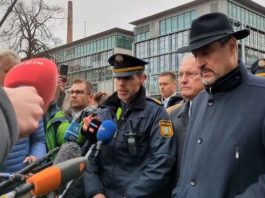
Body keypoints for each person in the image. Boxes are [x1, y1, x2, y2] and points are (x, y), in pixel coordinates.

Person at [172, 12, 265, 198]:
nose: (199, 63)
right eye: (196, 55)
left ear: (232, 46)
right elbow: (188, 171)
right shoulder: (198, 103)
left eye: (206, 52)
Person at [83, 53, 176, 198]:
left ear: (142, 79)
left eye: (127, 77)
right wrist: (95, 192)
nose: (121, 83)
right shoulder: (103, 113)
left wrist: (132, 195)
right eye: (118, 77)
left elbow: (163, 160)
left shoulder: (157, 114)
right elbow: (89, 156)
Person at [0, 50, 46, 172]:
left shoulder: (29, 101)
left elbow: (39, 140)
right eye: (7, 71)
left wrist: (36, 156)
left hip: (19, 180)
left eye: (15, 71)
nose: (12, 75)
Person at [168, 53, 204, 181]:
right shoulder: (172, 115)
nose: (183, 80)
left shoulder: (220, 113)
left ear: (206, 74)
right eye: (181, 74)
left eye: (190, 74)